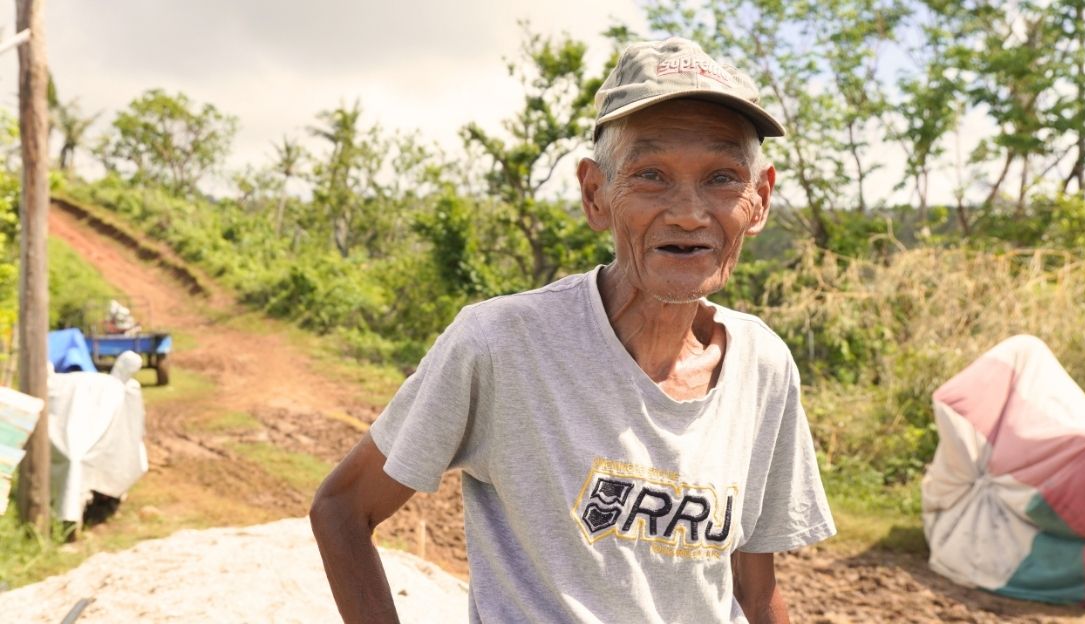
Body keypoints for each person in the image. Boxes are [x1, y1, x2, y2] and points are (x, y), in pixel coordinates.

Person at [311, 37, 835, 624]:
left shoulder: (762, 365)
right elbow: (342, 510)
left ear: (759, 200)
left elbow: (754, 591)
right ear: (595, 194)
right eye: (651, 175)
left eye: (721, 177)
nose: (689, 212)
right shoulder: (502, 345)